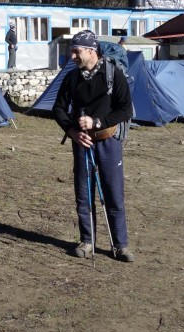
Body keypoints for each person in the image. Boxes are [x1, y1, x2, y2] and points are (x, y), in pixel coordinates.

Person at [52, 30, 135, 262]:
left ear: (91, 51)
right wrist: (72, 132)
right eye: (73, 51)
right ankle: (87, 242)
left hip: (108, 141)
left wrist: (97, 122)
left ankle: (120, 246)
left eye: (76, 51)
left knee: (113, 194)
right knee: (84, 194)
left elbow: (125, 109)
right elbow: (58, 108)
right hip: (82, 143)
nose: (73, 56)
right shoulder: (72, 78)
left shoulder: (113, 74)